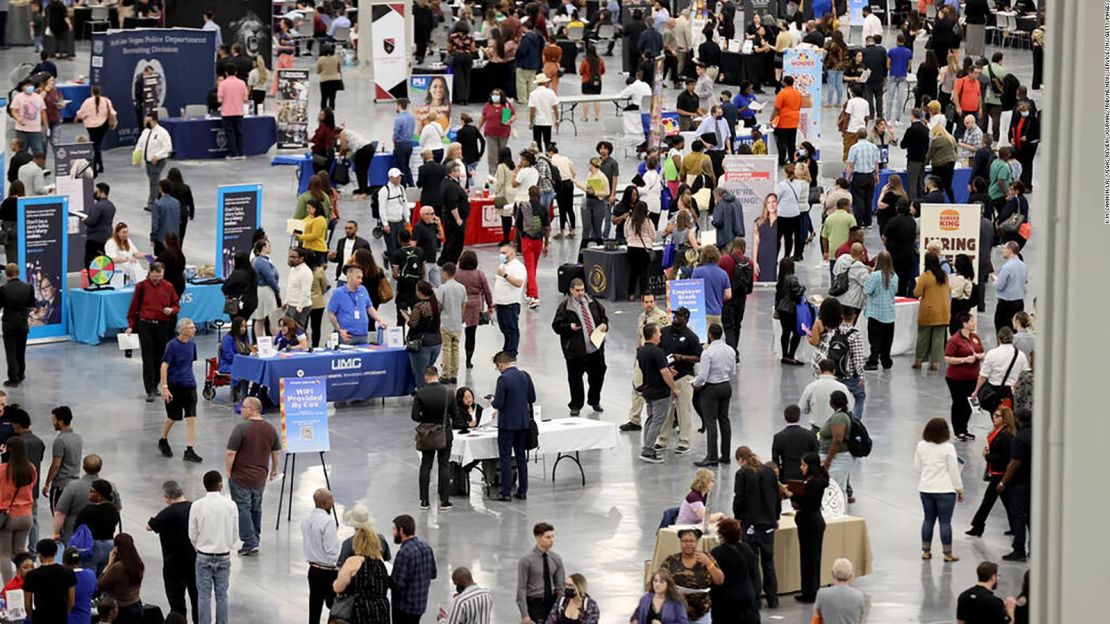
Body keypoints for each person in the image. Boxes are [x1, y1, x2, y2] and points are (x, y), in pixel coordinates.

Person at [225, 396, 280, 557]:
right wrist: (274, 469)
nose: (241, 410)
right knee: (256, 508)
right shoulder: (270, 429)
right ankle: (255, 538)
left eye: (243, 407)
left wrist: (228, 471)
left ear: (251, 410)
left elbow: (230, 453)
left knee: (243, 508)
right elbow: (275, 452)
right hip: (260, 478)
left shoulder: (241, 428)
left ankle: (250, 542)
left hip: (241, 477)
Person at [732, 446, 782, 607]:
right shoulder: (768, 471)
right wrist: (776, 517)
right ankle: (773, 599)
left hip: (750, 524)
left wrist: (737, 517)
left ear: (740, 459)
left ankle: (755, 600)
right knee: (768, 563)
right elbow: (777, 496)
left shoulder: (742, 474)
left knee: (752, 563)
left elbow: (739, 498)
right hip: (768, 523)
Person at [551, 278, 608, 416]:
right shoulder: (565, 307)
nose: (581, 293)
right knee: (575, 379)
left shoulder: (592, 302)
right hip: (575, 352)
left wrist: (605, 325)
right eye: (577, 290)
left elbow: (603, 317)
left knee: (598, 375)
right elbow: (556, 326)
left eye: (582, 289)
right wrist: (568, 327)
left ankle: (594, 400)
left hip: (595, 349)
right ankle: (576, 404)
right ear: (571, 290)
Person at [190, 471, 239, 624]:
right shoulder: (230, 505)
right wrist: (227, 545)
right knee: (222, 595)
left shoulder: (197, 505)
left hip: (204, 555)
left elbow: (192, 533)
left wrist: (200, 546)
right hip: (223, 555)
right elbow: (235, 531)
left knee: (204, 595)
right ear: (219, 484)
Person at [126, 263, 180, 402]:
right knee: (148, 358)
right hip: (145, 325)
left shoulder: (168, 286)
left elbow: (176, 305)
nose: (157, 279)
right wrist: (131, 326)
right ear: (150, 272)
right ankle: (149, 389)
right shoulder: (141, 287)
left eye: (160, 276)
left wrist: (171, 310)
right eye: (155, 276)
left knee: (161, 358)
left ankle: (156, 385)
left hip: (163, 326)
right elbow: (133, 308)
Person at [411, 367, 463, 511]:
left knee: (425, 465)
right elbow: (455, 416)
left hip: (427, 434)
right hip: (444, 433)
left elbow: (414, 416)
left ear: (426, 377)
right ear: (437, 376)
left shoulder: (420, 393)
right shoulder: (448, 393)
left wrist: (426, 419)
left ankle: (424, 501)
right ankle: (444, 501)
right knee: (444, 465)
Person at [145, 480, 198, 624]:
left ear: (168, 497)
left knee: (177, 603)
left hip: (173, 563)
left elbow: (149, 526)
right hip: (196, 560)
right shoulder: (195, 507)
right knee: (197, 600)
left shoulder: (167, 513)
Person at [916, 418, 964, 562]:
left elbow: (917, 467)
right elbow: (954, 471)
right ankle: (947, 554)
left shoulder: (921, 446)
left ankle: (926, 551)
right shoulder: (948, 447)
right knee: (945, 522)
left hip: (926, 488)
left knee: (928, 520)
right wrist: (959, 489)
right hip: (945, 490)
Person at [490, 351, 535, 501]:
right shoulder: (525, 375)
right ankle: (523, 490)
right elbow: (532, 398)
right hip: (522, 423)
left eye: (497, 367)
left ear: (501, 364)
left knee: (505, 457)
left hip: (507, 424)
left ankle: (506, 492)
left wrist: (492, 400)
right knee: (521, 456)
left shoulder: (503, 379)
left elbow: (499, 403)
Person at [656, 308, 702, 455]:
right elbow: (657, 351)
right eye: (675, 315)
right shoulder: (664, 332)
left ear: (686, 319)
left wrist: (681, 357)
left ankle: (684, 441)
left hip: (684, 377)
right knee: (665, 410)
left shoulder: (691, 337)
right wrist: (665, 367)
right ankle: (662, 439)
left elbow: (698, 357)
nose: (676, 318)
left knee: (684, 410)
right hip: (666, 376)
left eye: (679, 316)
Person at [159, 318, 202, 463]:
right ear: (182, 330)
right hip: (174, 386)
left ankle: (189, 450)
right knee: (173, 417)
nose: (194, 330)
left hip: (190, 385)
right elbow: (164, 366)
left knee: (191, 418)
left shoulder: (192, 344)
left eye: (194, 327)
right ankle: (163, 439)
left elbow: (189, 364)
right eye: (191, 328)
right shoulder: (172, 346)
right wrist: (165, 387)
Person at [333, 519, 391, 623]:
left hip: (359, 611)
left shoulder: (352, 562)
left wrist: (335, 583)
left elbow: (339, 587)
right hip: (380, 611)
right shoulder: (381, 562)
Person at [660, 527, 721, 623]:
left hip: (702, 614)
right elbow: (659, 581)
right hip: (676, 613)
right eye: (685, 541)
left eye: (692, 541)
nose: (688, 544)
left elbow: (719, 580)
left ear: (697, 542)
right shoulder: (671, 561)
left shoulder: (706, 557)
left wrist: (709, 564)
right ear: (680, 542)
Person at [707, 518, 761, 621]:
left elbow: (714, 579)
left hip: (725, 601)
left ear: (722, 534)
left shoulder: (717, 553)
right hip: (747, 596)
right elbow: (754, 573)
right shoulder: (747, 549)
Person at [389, 514, 437, 623]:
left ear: (401, 530)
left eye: (394, 529)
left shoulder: (404, 552)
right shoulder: (427, 547)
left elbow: (397, 584)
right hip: (420, 604)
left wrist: (384, 577)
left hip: (404, 607)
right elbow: (433, 574)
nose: (393, 532)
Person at [300, 488, 339, 624]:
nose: (332, 504)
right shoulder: (328, 522)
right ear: (324, 503)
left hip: (314, 570)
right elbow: (332, 550)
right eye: (331, 501)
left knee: (315, 606)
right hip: (329, 572)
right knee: (335, 607)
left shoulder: (306, 521)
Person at [0, 436, 34, 583]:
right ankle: (24, 583)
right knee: (20, 551)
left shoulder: (3, 470)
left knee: (4, 554)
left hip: (8, 515)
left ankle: (9, 588)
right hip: (27, 514)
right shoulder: (31, 468)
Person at [326, 266, 388, 345]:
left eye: (361, 278)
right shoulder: (339, 293)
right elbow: (331, 313)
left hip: (363, 335)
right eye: (358, 278)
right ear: (349, 278)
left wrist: (379, 319)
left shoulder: (363, 289)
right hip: (347, 335)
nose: (361, 281)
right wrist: (339, 329)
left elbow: (369, 307)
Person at [517, 522, 564, 624]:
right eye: (548, 537)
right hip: (535, 605)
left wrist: (562, 606)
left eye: (552, 536)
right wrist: (525, 615)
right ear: (538, 538)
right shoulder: (526, 560)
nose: (552, 540)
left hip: (552, 603)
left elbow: (560, 586)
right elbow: (521, 589)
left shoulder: (556, 558)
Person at [22, 539, 77, 622]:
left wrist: (31, 618)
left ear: (39, 554)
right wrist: (65, 614)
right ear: (55, 552)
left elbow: (27, 604)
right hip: (60, 617)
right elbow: (72, 602)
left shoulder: (32, 575)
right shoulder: (67, 572)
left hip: (40, 618)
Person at [914, 253, 952, 370]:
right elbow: (949, 289)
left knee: (923, 337)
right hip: (943, 310)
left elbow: (917, 293)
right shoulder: (944, 276)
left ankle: (919, 360)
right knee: (939, 338)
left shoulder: (925, 276)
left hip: (928, 311)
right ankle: (935, 362)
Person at [42, 406, 82, 516]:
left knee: (58, 520)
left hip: (61, 486)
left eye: (54, 420)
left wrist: (47, 484)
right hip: (75, 485)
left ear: (61, 421)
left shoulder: (60, 440)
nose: (53, 423)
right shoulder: (78, 438)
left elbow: (56, 465)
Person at [0, 263, 35, 387]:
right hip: (22, 323)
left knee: (11, 352)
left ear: (6, 274)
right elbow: (31, 303)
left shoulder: (3, 289)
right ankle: (21, 374)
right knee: (21, 351)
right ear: (18, 272)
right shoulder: (29, 287)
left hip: (9, 323)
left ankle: (13, 378)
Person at [97, 533, 145, 623]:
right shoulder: (139, 564)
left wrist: (109, 565)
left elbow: (100, 585)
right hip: (136, 605)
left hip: (121, 609)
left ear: (117, 548)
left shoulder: (117, 568)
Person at [406, 281, 443, 386]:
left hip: (422, 343)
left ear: (420, 292)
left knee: (420, 373)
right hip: (436, 341)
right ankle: (430, 394)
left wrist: (406, 317)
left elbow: (413, 324)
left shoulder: (419, 307)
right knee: (429, 371)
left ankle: (422, 396)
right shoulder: (437, 304)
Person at [75, 86, 117, 177]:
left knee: (94, 145)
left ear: (92, 92)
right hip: (103, 126)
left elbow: (81, 113)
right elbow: (112, 113)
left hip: (91, 127)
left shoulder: (87, 101)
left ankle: (95, 165)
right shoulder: (106, 100)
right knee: (97, 144)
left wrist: (77, 118)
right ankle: (100, 165)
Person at [493, 246, 527, 357]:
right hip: (500, 303)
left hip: (510, 304)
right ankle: (506, 349)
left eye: (504, 252)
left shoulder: (518, 267)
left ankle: (512, 352)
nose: (501, 255)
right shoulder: (502, 265)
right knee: (504, 329)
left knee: (512, 329)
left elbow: (519, 283)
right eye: (500, 252)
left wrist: (505, 275)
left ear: (511, 253)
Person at [136, 111, 173, 212]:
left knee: (154, 183)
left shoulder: (162, 132)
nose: (145, 123)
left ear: (154, 121)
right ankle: (160, 200)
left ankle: (152, 204)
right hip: (147, 162)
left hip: (157, 161)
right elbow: (140, 143)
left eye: (148, 121)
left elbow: (168, 147)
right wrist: (137, 153)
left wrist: (158, 156)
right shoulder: (146, 131)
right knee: (153, 182)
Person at [773, 405, 819, 482]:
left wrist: (779, 475)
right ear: (799, 417)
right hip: (807, 475)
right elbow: (816, 455)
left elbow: (775, 459)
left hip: (787, 474)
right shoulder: (810, 435)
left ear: (785, 417)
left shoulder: (778, 437)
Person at [813, 559, 865, 624]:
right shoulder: (859, 596)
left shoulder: (822, 594)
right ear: (850, 576)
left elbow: (816, 618)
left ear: (832, 573)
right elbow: (860, 620)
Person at [775, 258, 806, 365]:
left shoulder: (781, 279)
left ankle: (785, 355)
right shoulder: (792, 279)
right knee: (797, 332)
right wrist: (803, 288)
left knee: (785, 332)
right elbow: (796, 293)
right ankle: (791, 355)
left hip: (781, 308)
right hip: (790, 309)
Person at [993, 241, 1027, 334]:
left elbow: (999, 286)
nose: (1003, 250)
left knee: (1002, 329)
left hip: (1006, 304)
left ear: (1010, 250)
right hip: (1019, 302)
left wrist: (995, 281)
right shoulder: (1023, 266)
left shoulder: (1007, 267)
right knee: (1016, 330)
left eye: (1004, 248)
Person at [479, 90, 516, 175]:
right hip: (490, 133)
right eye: (493, 94)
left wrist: (510, 120)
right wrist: (477, 128)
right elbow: (483, 117)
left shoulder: (506, 105)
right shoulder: (488, 106)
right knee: (492, 155)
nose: (495, 96)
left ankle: (502, 171)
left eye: (497, 94)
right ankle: (492, 173)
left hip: (503, 133)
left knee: (502, 152)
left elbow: (514, 114)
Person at [772, 76, 803, 166]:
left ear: (784, 83)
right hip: (794, 122)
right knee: (791, 143)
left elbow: (776, 108)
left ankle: (781, 161)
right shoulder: (798, 93)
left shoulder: (782, 93)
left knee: (782, 143)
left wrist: (771, 119)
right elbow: (799, 106)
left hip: (783, 122)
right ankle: (793, 161)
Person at [392, 99, 416, 185]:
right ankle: (411, 183)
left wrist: (394, 142)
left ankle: (403, 185)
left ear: (399, 105)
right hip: (409, 144)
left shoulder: (398, 119)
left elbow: (396, 133)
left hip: (400, 144)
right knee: (406, 165)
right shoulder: (411, 118)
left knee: (401, 166)